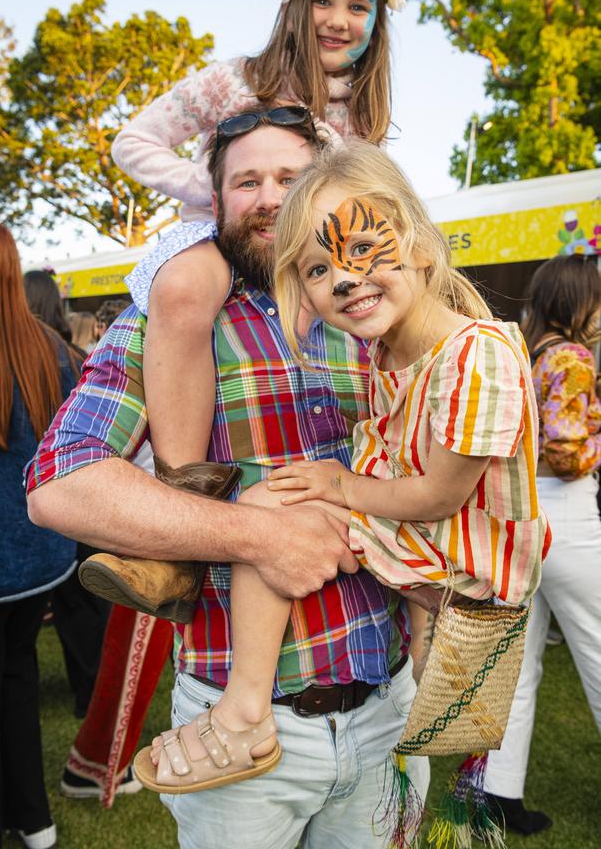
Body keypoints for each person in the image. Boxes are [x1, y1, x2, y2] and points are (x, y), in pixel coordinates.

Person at [27, 115, 430, 849]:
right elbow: (60, 482)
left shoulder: (375, 314)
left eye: (290, 178)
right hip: (239, 736)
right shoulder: (172, 320)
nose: (270, 198)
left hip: (389, 713)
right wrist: (260, 535)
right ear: (215, 202)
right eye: (247, 182)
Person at [134, 140, 550, 799]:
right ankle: (425, 668)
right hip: (433, 549)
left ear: (417, 242)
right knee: (281, 503)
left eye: (362, 249)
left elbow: (442, 494)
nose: (346, 279)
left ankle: (243, 712)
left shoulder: (480, 352)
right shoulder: (389, 354)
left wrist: (336, 484)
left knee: (276, 507)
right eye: (320, 270)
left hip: (468, 564)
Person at [102, 0, 409, 610]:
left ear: (377, 21)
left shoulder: (362, 114)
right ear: (296, 5)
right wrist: (213, 193)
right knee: (181, 289)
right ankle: (181, 523)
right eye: (324, 1)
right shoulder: (237, 78)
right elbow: (134, 139)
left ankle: (398, 505)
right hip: (226, 241)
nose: (339, 19)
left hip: (311, 259)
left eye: (359, 7)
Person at [0, 221, 80, 849]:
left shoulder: (26, 347)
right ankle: (34, 820)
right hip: (35, 556)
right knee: (13, 679)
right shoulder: (51, 346)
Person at [484, 254, 601, 835]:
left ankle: (498, 795)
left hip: (521, 519)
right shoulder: (572, 358)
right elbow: (567, 454)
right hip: (567, 518)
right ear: (578, 301)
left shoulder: (521, 352)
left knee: (520, 666)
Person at [24, 269, 111, 720]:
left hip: (40, 504)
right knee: (83, 609)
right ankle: (91, 696)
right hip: (79, 504)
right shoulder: (73, 356)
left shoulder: (26, 356)